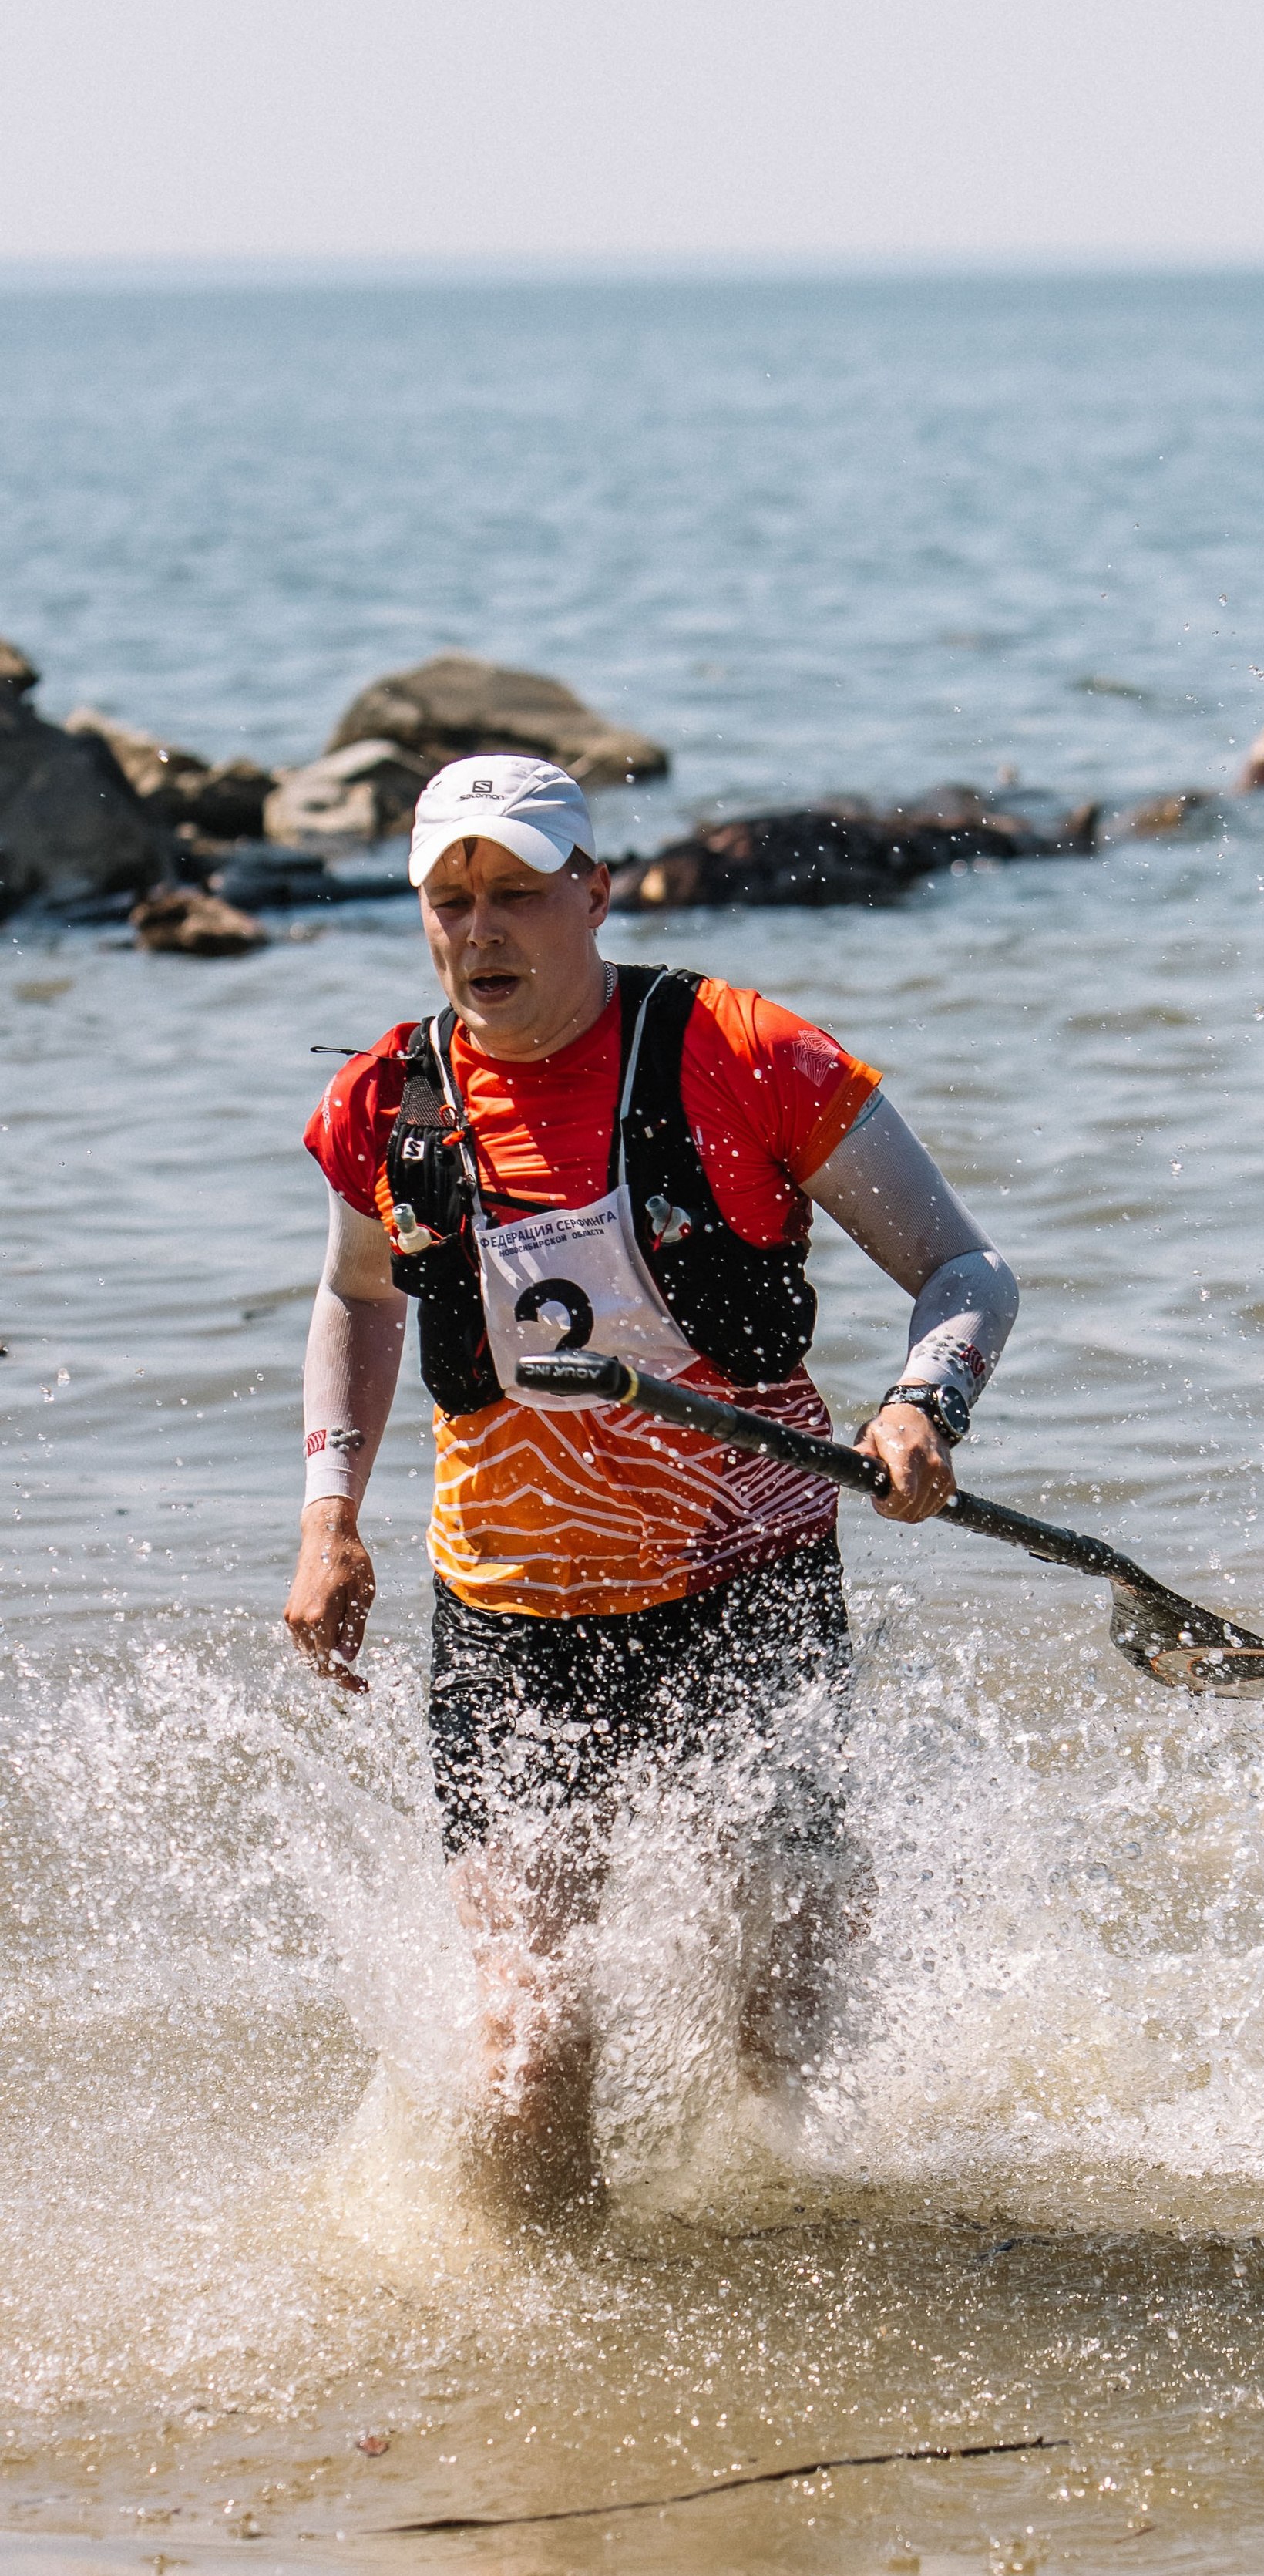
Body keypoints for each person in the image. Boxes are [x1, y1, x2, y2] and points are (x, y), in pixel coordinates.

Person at [283, 755, 1017, 2223]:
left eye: (516, 897)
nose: (481, 932)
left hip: (749, 1579)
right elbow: (359, 1301)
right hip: (513, 1611)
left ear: (595, 895)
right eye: (450, 903)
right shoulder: (390, 1103)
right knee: (530, 2037)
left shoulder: (743, 1051)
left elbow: (966, 1271)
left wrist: (922, 1407)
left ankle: (827, 2271)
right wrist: (330, 1515)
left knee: (781, 2001)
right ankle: (556, 2360)